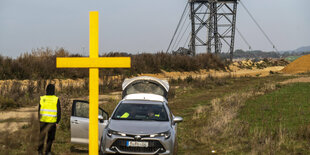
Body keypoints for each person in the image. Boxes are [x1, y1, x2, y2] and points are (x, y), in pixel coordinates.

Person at [38, 84, 61, 155]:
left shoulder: (42, 98)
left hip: (43, 121)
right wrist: (57, 121)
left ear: (46, 90)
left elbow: (39, 110)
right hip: (52, 122)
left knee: (42, 137)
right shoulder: (56, 99)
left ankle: (40, 152)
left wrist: (39, 119)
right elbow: (59, 111)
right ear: (54, 90)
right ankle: (48, 152)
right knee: (50, 138)